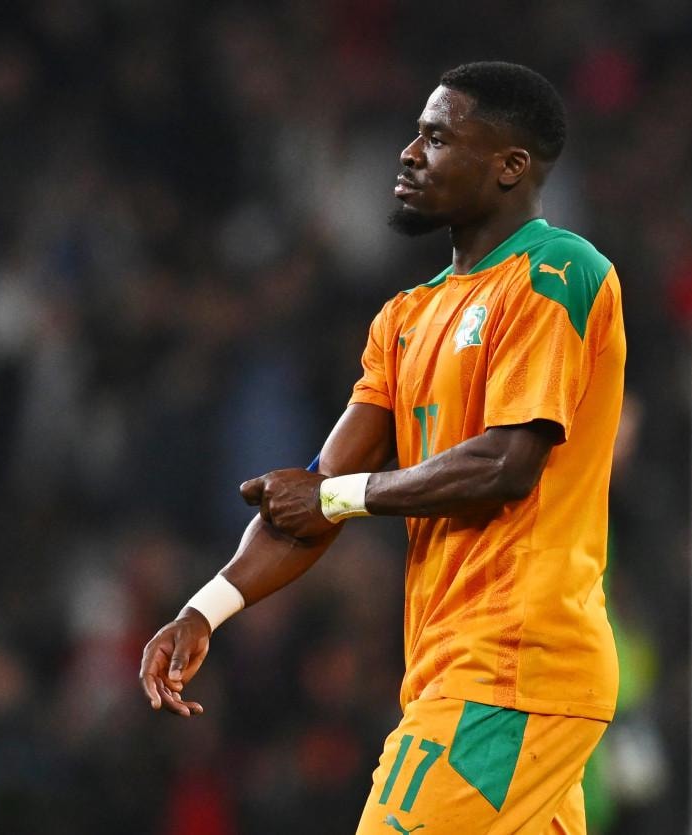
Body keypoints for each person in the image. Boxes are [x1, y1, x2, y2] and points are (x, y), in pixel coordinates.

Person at [140, 61, 625, 835]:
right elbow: (313, 491)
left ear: (509, 166)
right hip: (456, 669)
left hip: (512, 667)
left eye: (437, 138)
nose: (408, 152)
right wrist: (206, 609)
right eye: (416, 134)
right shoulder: (405, 318)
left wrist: (336, 496)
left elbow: (506, 464)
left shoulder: (558, 273)